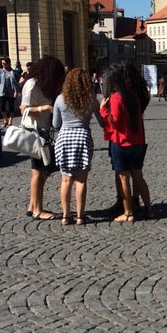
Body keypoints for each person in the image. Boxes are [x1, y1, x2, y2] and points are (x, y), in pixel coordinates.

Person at [100, 64, 153, 223]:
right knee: (138, 177)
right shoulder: (134, 96)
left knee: (123, 178)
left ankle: (128, 212)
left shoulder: (116, 97)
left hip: (122, 142)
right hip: (137, 142)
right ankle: (149, 209)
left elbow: (114, 122)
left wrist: (103, 110)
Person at [53, 68, 101, 226]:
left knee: (66, 180)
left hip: (65, 137)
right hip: (82, 137)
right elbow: (102, 122)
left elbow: (55, 124)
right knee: (81, 180)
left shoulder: (60, 99)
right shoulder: (91, 100)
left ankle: (66, 216)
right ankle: (80, 216)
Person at [19, 55, 65, 220]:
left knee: (42, 170)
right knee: (37, 171)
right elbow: (23, 109)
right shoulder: (32, 85)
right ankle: (38, 209)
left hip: (43, 132)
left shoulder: (44, 86)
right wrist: (43, 108)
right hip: (34, 133)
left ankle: (33, 205)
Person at [0, 60, 19, 127]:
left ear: (9, 64)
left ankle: (10, 121)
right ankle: (5, 119)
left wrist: (16, 91)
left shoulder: (13, 72)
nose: (3, 65)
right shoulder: (0, 71)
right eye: (2, 63)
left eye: (4, 63)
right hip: (2, 91)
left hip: (11, 91)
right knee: (2, 106)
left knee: (11, 106)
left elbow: (16, 83)